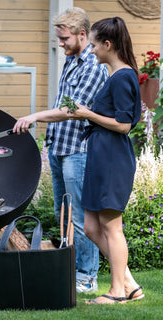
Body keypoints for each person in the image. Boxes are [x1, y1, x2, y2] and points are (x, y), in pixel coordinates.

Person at [13, 7, 109, 292]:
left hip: (79, 150)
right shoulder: (71, 59)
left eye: (65, 38)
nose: (61, 44)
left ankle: (87, 278)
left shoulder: (92, 66)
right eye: (59, 38)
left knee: (80, 217)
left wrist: (34, 117)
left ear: (82, 34)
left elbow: (70, 110)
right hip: (60, 146)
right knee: (63, 213)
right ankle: (71, 270)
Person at [64, 17, 144, 304]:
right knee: (91, 227)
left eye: (95, 44)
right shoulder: (115, 76)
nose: (92, 50)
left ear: (108, 44)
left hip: (112, 157)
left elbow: (124, 125)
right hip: (100, 155)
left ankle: (117, 291)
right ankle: (129, 284)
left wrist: (88, 114)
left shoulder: (123, 77)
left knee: (111, 227)